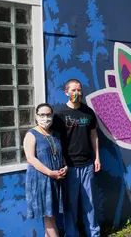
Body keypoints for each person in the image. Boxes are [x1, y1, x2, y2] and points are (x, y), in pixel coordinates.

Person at [53, 79, 101, 236]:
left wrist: (97, 158)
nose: (77, 93)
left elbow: (94, 135)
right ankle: (72, 234)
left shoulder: (88, 112)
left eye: (79, 90)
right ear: (66, 92)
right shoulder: (60, 115)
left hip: (87, 165)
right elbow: (56, 141)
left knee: (90, 204)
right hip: (70, 167)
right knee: (71, 205)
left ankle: (94, 234)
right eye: (73, 90)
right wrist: (63, 163)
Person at [24, 103, 67, 237]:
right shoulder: (31, 134)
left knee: (51, 214)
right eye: (42, 115)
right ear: (36, 116)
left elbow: (61, 155)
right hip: (41, 181)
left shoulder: (56, 135)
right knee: (49, 218)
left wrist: (65, 168)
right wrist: (50, 173)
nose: (45, 118)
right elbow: (31, 158)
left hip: (56, 180)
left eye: (48, 115)